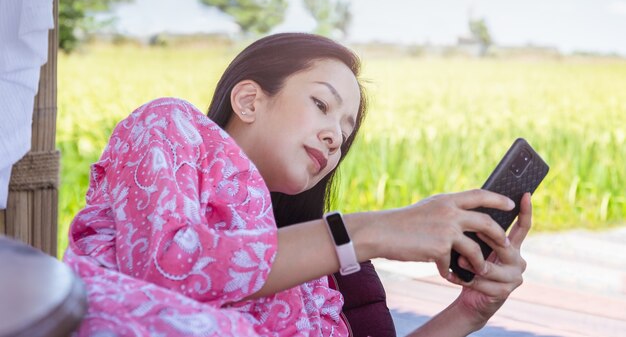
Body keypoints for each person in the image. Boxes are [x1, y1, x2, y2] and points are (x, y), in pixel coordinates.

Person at [64, 33, 531, 337]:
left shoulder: (309, 275)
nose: (335, 137)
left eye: (346, 133)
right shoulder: (171, 125)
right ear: (249, 99)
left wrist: (468, 312)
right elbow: (169, 265)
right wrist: (368, 232)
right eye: (321, 105)